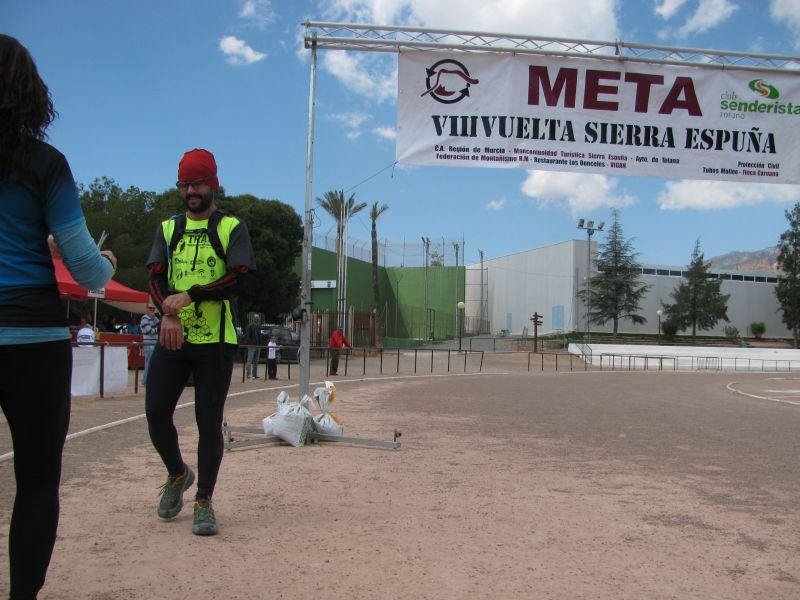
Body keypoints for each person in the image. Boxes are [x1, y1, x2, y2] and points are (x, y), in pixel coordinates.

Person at [0, 34, 117, 600]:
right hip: (32, 340)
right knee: (37, 483)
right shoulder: (44, 164)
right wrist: (108, 263)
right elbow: (88, 269)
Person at [145, 148, 255, 536]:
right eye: (184, 184)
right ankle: (178, 473)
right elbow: (155, 277)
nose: (191, 191)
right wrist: (168, 311)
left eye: (197, 183)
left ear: (213, 184)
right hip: (173, 336)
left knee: (207, 421)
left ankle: (204, 500)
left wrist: (191, 295)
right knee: (156, 412)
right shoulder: (168, 229)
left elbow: (239, 277)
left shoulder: (231, 227)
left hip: (215, 340)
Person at [139, 302, 160, 385]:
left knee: (151, 362)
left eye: (153, 308)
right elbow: (149, 331)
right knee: (149, 362)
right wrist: (157, 329)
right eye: (150, 308)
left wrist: (154, 319)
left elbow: (161, 325)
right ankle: (145, 381)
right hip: (149, 343)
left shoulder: (154, 318)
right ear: (146, 309)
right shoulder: (144, 318)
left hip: (154, 342)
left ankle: (148, 381)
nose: (152, 310)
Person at [244, 314, 262, 380]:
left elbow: (259, 335)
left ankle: (254, 374)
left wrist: (260, 343)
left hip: (258, 345)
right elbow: (247, 335)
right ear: (253, 318)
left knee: (256, 361)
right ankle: (248, 374)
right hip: (252, 345)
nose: (257, 319)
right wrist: (250, 343)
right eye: (255, 318)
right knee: (250, 360)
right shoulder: (250, 326)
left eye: (258, 318)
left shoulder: (258, 326)